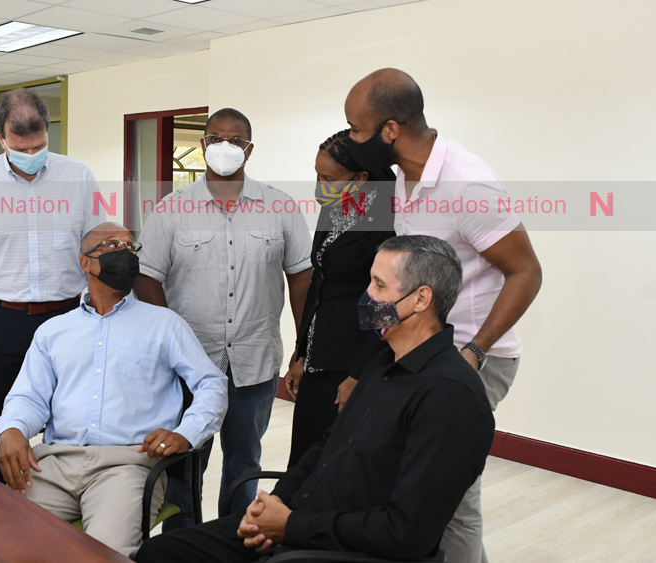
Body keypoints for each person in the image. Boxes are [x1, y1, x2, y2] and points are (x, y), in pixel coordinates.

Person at [136, 235, 495, 563]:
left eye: (379, 285)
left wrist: (289, 527)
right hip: (300, 525)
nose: (366, 296)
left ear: (421, 299)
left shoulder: (451, 396)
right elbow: (327, 446)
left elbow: (405, 534)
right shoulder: (381, 364)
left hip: (342, 548)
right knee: (159, 553)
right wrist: (274, 505)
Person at [343, 68, 543, 563]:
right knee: (411, 487)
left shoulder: (467, 183)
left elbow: (526, 272)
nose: (351, 140)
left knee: (449, 499)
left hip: (471, 357)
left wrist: (474, 353)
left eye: (357, 130)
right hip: (422, 352)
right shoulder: (404, 178)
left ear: (390, 129)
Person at [0, 222, 228, 559]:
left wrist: (186, 433)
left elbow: (211, 384)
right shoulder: (53, 331)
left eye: (131, 246)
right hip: (55, 464)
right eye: (113, 245)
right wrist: (12, 429)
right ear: (85, 263)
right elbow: (29, 396)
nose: (126, 253)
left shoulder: (164, 324)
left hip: (127, 466)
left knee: (104, 555)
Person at [134, 108, 313, 520]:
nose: (224, 147)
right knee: (182, 463)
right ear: (202, 145)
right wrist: (171, 343)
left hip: (254, 362)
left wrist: (305, 347)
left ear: (249, 150)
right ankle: (182, 541)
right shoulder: (171, 209)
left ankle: (233, 540)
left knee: (244, 463)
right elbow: (146, 278)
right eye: (216, 138)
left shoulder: (280, 207)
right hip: (187, 366)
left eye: (235, 140)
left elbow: (302, 280)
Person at [0, 89, 103, 465]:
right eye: (21, 149)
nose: (32, 156)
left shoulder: (78, 176)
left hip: (67, 318)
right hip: (2, 321)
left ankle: (61, 494)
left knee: (70, 419)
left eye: (39, 147)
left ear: (48, 132)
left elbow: (97, 251)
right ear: (0, 137)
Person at [283, 129, 395, 466]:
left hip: (354, 359)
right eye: (317, 175)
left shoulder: (389, 220)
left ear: (360, 178)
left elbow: (386, 305)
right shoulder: (335, 206)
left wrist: (358, 375)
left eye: (328, 178)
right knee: (303, 461)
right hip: (320, 354)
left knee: (336, 466)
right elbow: (319, 281)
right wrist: (301, 352)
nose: (320, 186)